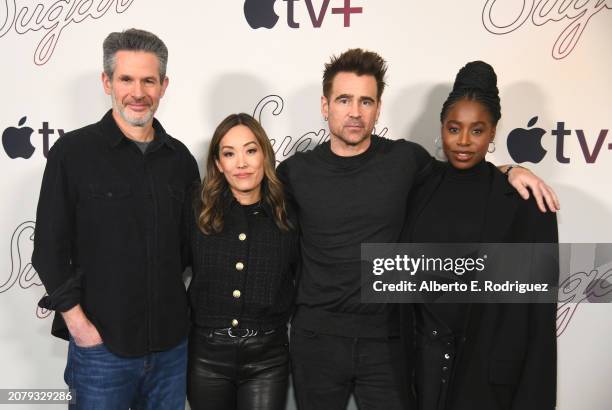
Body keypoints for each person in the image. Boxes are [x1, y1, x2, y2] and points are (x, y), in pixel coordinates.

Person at [277, 49, 559, 410]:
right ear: (325, 104)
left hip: (388, 343)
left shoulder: (406, 161)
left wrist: (511, 169)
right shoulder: (295, 172)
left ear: (378, 108)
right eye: (344, 99)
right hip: (316, 340)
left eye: (366, 101)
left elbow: (465, 173)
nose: (354, 112)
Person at [32, 29, 199, 409]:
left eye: (148, 80)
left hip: (171, 350)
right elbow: (48, 250)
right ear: (107, 81)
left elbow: (190, 252)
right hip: (100, 350)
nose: (137, 92)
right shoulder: (72, 153)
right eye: (126, 79)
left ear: (163, 85)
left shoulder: (181, 161)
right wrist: (80, 327)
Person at [399, 61, 558, 410]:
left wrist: (511, 170)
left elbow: (538, 318)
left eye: (477, 130)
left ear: (493, 132)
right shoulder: (417, 185)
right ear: (441, 128)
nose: (464, 142)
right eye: (454, 128)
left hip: (488, 373)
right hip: (418, 369)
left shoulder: (527, 204)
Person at [187, 113, 298, 410]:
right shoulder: (197, 208)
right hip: (206, 356)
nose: (241, 163)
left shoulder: (288, 211)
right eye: (229, 153)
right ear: (219, 164)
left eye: (250, 150)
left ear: (264, 154)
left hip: (268, 358)